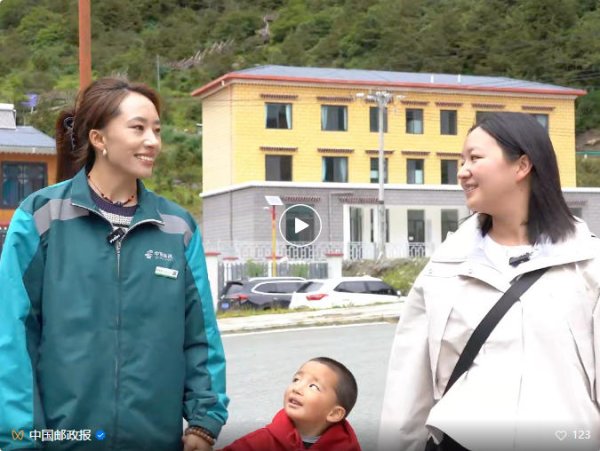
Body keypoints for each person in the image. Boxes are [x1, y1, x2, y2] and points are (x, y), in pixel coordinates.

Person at [0, 77, 228, 451]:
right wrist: (21, 438)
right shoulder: (41, 217)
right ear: (98, 138)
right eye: (138, 128)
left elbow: (200, 336)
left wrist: (204, 421)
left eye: (157, 130)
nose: (153, 141)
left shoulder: (178, 227)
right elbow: (12, 335)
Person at [378, 112, 600, 451]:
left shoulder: (587, 262)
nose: (462, 171)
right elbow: (408, 385)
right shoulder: (446, 267)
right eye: (462, 160)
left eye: (475, 158)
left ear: (522, 165)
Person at [219, 357, 361, 451]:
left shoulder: (347, 447)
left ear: (335, 413)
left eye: (313, 386)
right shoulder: (261, 442)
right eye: (296, 379)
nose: (297, 388)